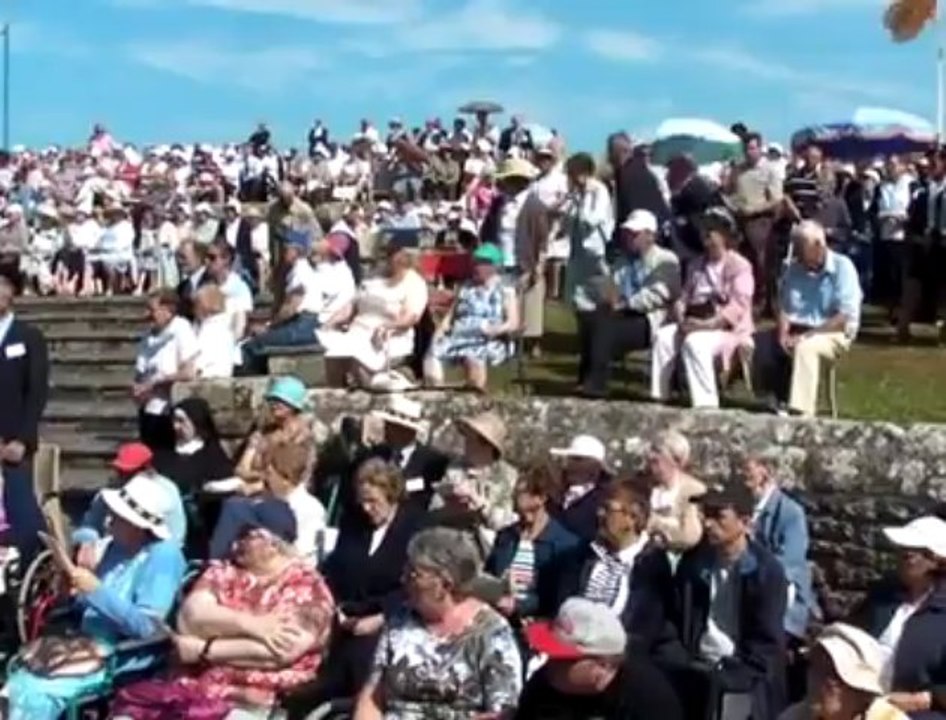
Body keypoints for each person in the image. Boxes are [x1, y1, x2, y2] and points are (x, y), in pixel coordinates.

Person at [111, 500, 335, 719]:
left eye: (246, 535)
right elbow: (190, 618)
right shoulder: (224, 571)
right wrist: (252, 625)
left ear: (273, 544)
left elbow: (279, 652)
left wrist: (204, 649)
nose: (235, 542)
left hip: (256, 699)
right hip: (190, 688)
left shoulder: (307, 588)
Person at [3, 474, 186, 720]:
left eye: (118, 518)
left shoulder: (163, 556)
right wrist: (72, 592)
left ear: (138, 525)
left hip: (122, 655)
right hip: (83, 644)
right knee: (17, 679)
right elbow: (89, 607)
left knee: (38, 690)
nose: (109, 522)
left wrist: (95, 590)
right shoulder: (115, 549)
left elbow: (148, 628)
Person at [294, 459, 427, 715]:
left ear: (392, 495)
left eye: (373, 502)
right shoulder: (354, 522)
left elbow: (411, 586)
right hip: (347, 615)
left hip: (388, 618)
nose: (366, 508)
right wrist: (334, 607)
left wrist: (380, 618)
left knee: (363, 657)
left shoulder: (415, 528)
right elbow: (338, 569)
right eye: (362, 501)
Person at [352, 527, 523, 720]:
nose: (403, 579)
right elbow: (373, 695)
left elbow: (501, 713)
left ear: (446, 584)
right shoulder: (400, 620)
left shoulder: (491, 632)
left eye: (413, 574)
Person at [664, 483, 788, 720]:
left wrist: (729, 675)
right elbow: (676, 618)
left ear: (745, 521)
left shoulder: (766, 572)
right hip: (694, 666)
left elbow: (766, 644)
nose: (708, 523)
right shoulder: (694, 564)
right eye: (706, 515)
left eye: (719, 516)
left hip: (740, 675)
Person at [651, 207, 755, 409]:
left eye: (711, 230)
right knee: (663, 337)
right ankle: (659, 398)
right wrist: (681, 315)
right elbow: (684, 296)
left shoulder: (740, 266)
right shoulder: (696, 264)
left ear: (724, 235)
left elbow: (738, 306)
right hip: (695, 320)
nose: (705, 235)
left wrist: (707, 324)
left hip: (726, 328)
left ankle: (706, 405)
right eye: (703, 230)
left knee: (695, 343)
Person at [757, 220, 863, 417]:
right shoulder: (793, 269)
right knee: (761, 343)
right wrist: (783, 333)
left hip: (832, 331)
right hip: (799, 327)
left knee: (806, 348)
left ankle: (802, 413)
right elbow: (785, 308)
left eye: (800, 248)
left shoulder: (843, 268)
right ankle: (773, 401)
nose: (796, 253)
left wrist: (806, 336)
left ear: (818, 245)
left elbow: (843, 317)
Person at [517, 598, 683, 720]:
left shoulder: (649, 701)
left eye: (563, 660)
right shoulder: (545, 682)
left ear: (602, 666)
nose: (550, 663)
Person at [555, 482, 673, 653]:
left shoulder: (651, 565)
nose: (599, 514)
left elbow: (646, 627)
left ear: (633, 517)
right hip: (572, 644)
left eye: (607, 508)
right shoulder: (582, 556)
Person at [851, 515, 946, 714]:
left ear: (935, 561)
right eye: (899, 552)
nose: (899, 560)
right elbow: (853, 631)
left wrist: (924, 699)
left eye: (908, 556)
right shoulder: (883, 594)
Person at [580, 209, 680, 398]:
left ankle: (595, 385)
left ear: (650, 235)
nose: (629, 238)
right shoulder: (622, 261)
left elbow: (659, 294)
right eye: (627, 234)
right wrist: (608, 290)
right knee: (592, 318)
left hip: (650, 319)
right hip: (623, 313)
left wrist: (627, 304)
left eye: (634, 234)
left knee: (605, 328)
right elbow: (613, 288)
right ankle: (587, 379)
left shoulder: (666, 260)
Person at [319, 238, 428, 388]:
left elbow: (411, 317)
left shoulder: (414, 283)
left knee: (358, 359)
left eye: (392, 252)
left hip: (387, 336)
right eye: (387, 251)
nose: (387, 256)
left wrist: (390, 325)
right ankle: (337, 396)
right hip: (357, 332)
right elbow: (353, 305)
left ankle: (367, 397)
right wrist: (330, 322)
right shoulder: (373, 276)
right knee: (333, 356)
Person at [242, 229, 355, 374]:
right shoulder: (310, 269)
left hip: (309, 324)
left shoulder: (302, 270)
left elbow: (291, 307)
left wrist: (269, 326)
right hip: (309, 322)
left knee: (253, 345)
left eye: (286, 246)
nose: (283, 250)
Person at [740, 445, 818, 649]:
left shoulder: (790, 512)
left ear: (765, 471)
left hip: (784, 603)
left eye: (747, 469)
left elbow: (788, 565)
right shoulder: (745, 507)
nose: (741, 475)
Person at [486, 461, 579, 621]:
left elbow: (557, 597)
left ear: (541, 498)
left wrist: (520, 606)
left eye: (521, 492)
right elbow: (490, 574)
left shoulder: (565, 545)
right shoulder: (506, 536)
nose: (515, 497)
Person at [479, 157, 550, 357]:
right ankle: (506, 339)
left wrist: (538, 266)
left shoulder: (535, 206)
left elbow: (542, 240)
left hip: (525, 260)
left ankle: (531, 343)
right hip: (502, 259)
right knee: (504, 301)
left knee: (530, 304)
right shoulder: (498, 203)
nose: (502, 185)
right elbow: (488, 229)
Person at [0, 274, 49, 562]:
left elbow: (37, 392)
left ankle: (35, 562)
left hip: (15, 441)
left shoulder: (29, 336)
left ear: (8, 295)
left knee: (20, 509)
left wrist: (22, 437)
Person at [426, 243, 519, 392]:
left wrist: (496, 330)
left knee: (473, 356)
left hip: (488, 338)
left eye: (480, 263)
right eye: (475, 262)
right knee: (433, 352)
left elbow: (513, 323)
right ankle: (435, 392)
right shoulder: (466, 287)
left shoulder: (505, 290)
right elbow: (451, 315)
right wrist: (440, 330)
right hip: (460, 335)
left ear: (493, 266)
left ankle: (475, 395)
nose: (475, 267)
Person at [75, 443, 188, 559]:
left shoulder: (166, 491)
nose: (123, 476)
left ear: (147, 468)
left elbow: (176, 535)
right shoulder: (110, 491)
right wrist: (87, 542)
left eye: (130, 472)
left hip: (151, 555)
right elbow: (89, 524)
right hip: (108, 553)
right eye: (120, 471)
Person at [560, 152, 615, 390]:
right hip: (579, 259)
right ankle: (583, 373)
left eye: (574, 175)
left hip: (597, 259)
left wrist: (579, 203)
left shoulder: (598, 191)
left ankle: (595, 374)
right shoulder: (578, 194)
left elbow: (593, 219)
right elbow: (568, 223)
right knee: (581, 313)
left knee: (598, 316)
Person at [432, 411, 519, 557]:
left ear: (487, 445)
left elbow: (507, 522)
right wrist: (452, 506)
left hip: (486, 550)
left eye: (471, 441)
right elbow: (434, 509)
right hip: (451, 546)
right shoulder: (455, 467)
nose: (466, 444)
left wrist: (480, 505)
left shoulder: (507, 476)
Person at [778, 623, 908, 720]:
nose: (814, 681)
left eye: (831, 674)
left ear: (862, 691)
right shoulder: (795, 716)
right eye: (815, 668)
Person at [349, 396, 450, 519]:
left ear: (409, 430)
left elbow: (431, 492)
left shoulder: (433, 461)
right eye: (387, 424)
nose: (386, 429)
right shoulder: (373, 456)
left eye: (393, 426)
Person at [134, 289, 199, 451]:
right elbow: (141, 371)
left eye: (151, 310)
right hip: (147, 408)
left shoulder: (181, 329)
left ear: (168, 311)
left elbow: (189, 372)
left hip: (169, 411)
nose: (146, 314)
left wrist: (156, 382)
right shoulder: (147, 336)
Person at [232, 375, 316, 499]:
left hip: (290, 498)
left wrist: (255, 481)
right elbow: (240, 470)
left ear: (294, 404)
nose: (274, 404)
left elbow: (289, 480)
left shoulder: (301, 437)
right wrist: (263, 475)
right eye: (272, 399)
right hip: (258, 494)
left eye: (280, 400)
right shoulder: (263, 434)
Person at [726, 131, 783, 314]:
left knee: (763, 265)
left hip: (761, 222)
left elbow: (776, 199)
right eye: (746, 148)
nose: (749, 152)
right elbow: (730, 193)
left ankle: (768, 303)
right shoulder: (739, 170)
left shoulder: (769, 170)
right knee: (745, 263)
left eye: (752, 148)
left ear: (759, 148)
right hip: (741, 221)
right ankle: (750, 301)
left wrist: (756, 209)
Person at [645, 430, 706, 553]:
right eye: (650, 461)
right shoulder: (644, 487)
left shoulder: (695, 490)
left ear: (675, 461)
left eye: (657, 461)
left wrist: (654, 522)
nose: (652, 467)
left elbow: (689, 536)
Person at [550, 435, 613, 543]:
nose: (568, 465)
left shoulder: (606, 500)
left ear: (595, 465)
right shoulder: (554, 496)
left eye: (577, 460)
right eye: (569, 459)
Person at [204, 239, 253, 340]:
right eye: (205, 257)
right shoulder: (203, 287)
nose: (206, 261)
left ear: (226, 259)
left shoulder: (239, 289)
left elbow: (240, 328)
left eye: (212, 258)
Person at [191, 283, 236, 379]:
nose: (193, 310)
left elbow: (200, 359)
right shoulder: (208, 325)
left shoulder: (215, 327)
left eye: (196, 305)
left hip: (211, 380)